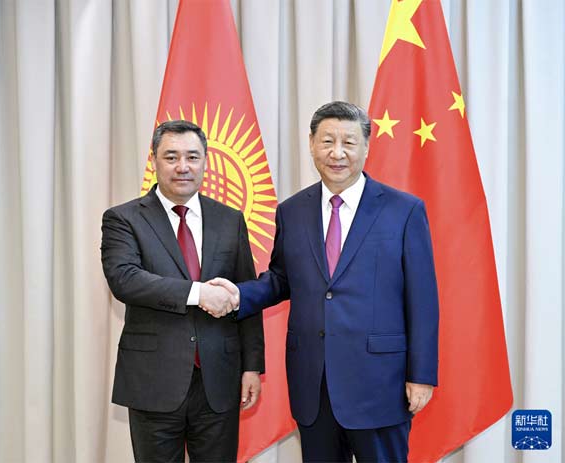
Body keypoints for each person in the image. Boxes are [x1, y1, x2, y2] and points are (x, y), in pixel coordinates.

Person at [205, 102, 439, 462]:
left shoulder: (404, 210)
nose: (337, 153)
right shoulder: (292, 211)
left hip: (380, 383)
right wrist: (238, 294)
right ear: (312, 144)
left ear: (366, 146)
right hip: (313, 383)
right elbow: (281, 279)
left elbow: (422, 300)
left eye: (349, 142)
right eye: (327, 141)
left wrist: (421, 375)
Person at [101, 120, 264, 463]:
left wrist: (252, 366)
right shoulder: (124, 218)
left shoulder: (230, 219)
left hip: (219, 381)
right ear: (154, 160)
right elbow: (124, 279)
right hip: (153, 380)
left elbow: (245, 294)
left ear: (205, 161)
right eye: (171, 157)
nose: (182, 166)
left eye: (192, 156)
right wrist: (198, 293)